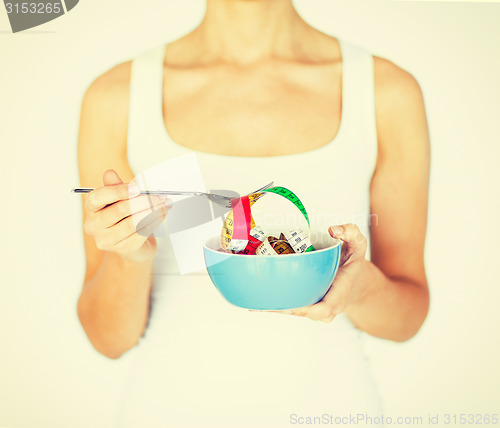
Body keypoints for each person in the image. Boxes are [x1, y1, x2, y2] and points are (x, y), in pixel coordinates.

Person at [76, 0, 430, 426]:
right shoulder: (115, 97)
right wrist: (130, 256)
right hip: (167, 411)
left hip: (334, 410)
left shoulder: (386, 92)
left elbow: (407, 318)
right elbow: (107, 339)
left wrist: (359, 287)